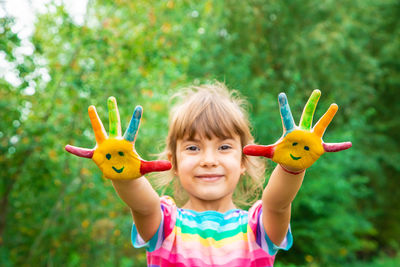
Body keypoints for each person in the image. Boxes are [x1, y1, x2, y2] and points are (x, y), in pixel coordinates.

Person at [65, 82, 351, 266]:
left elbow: (278, 203)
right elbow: (142, 203)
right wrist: (124, 173)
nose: (209, 160)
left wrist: (292, 165)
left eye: (224, 146)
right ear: (173, 162)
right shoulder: (166, 225)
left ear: (243, 159)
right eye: (193, 147)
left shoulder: (257, 229)